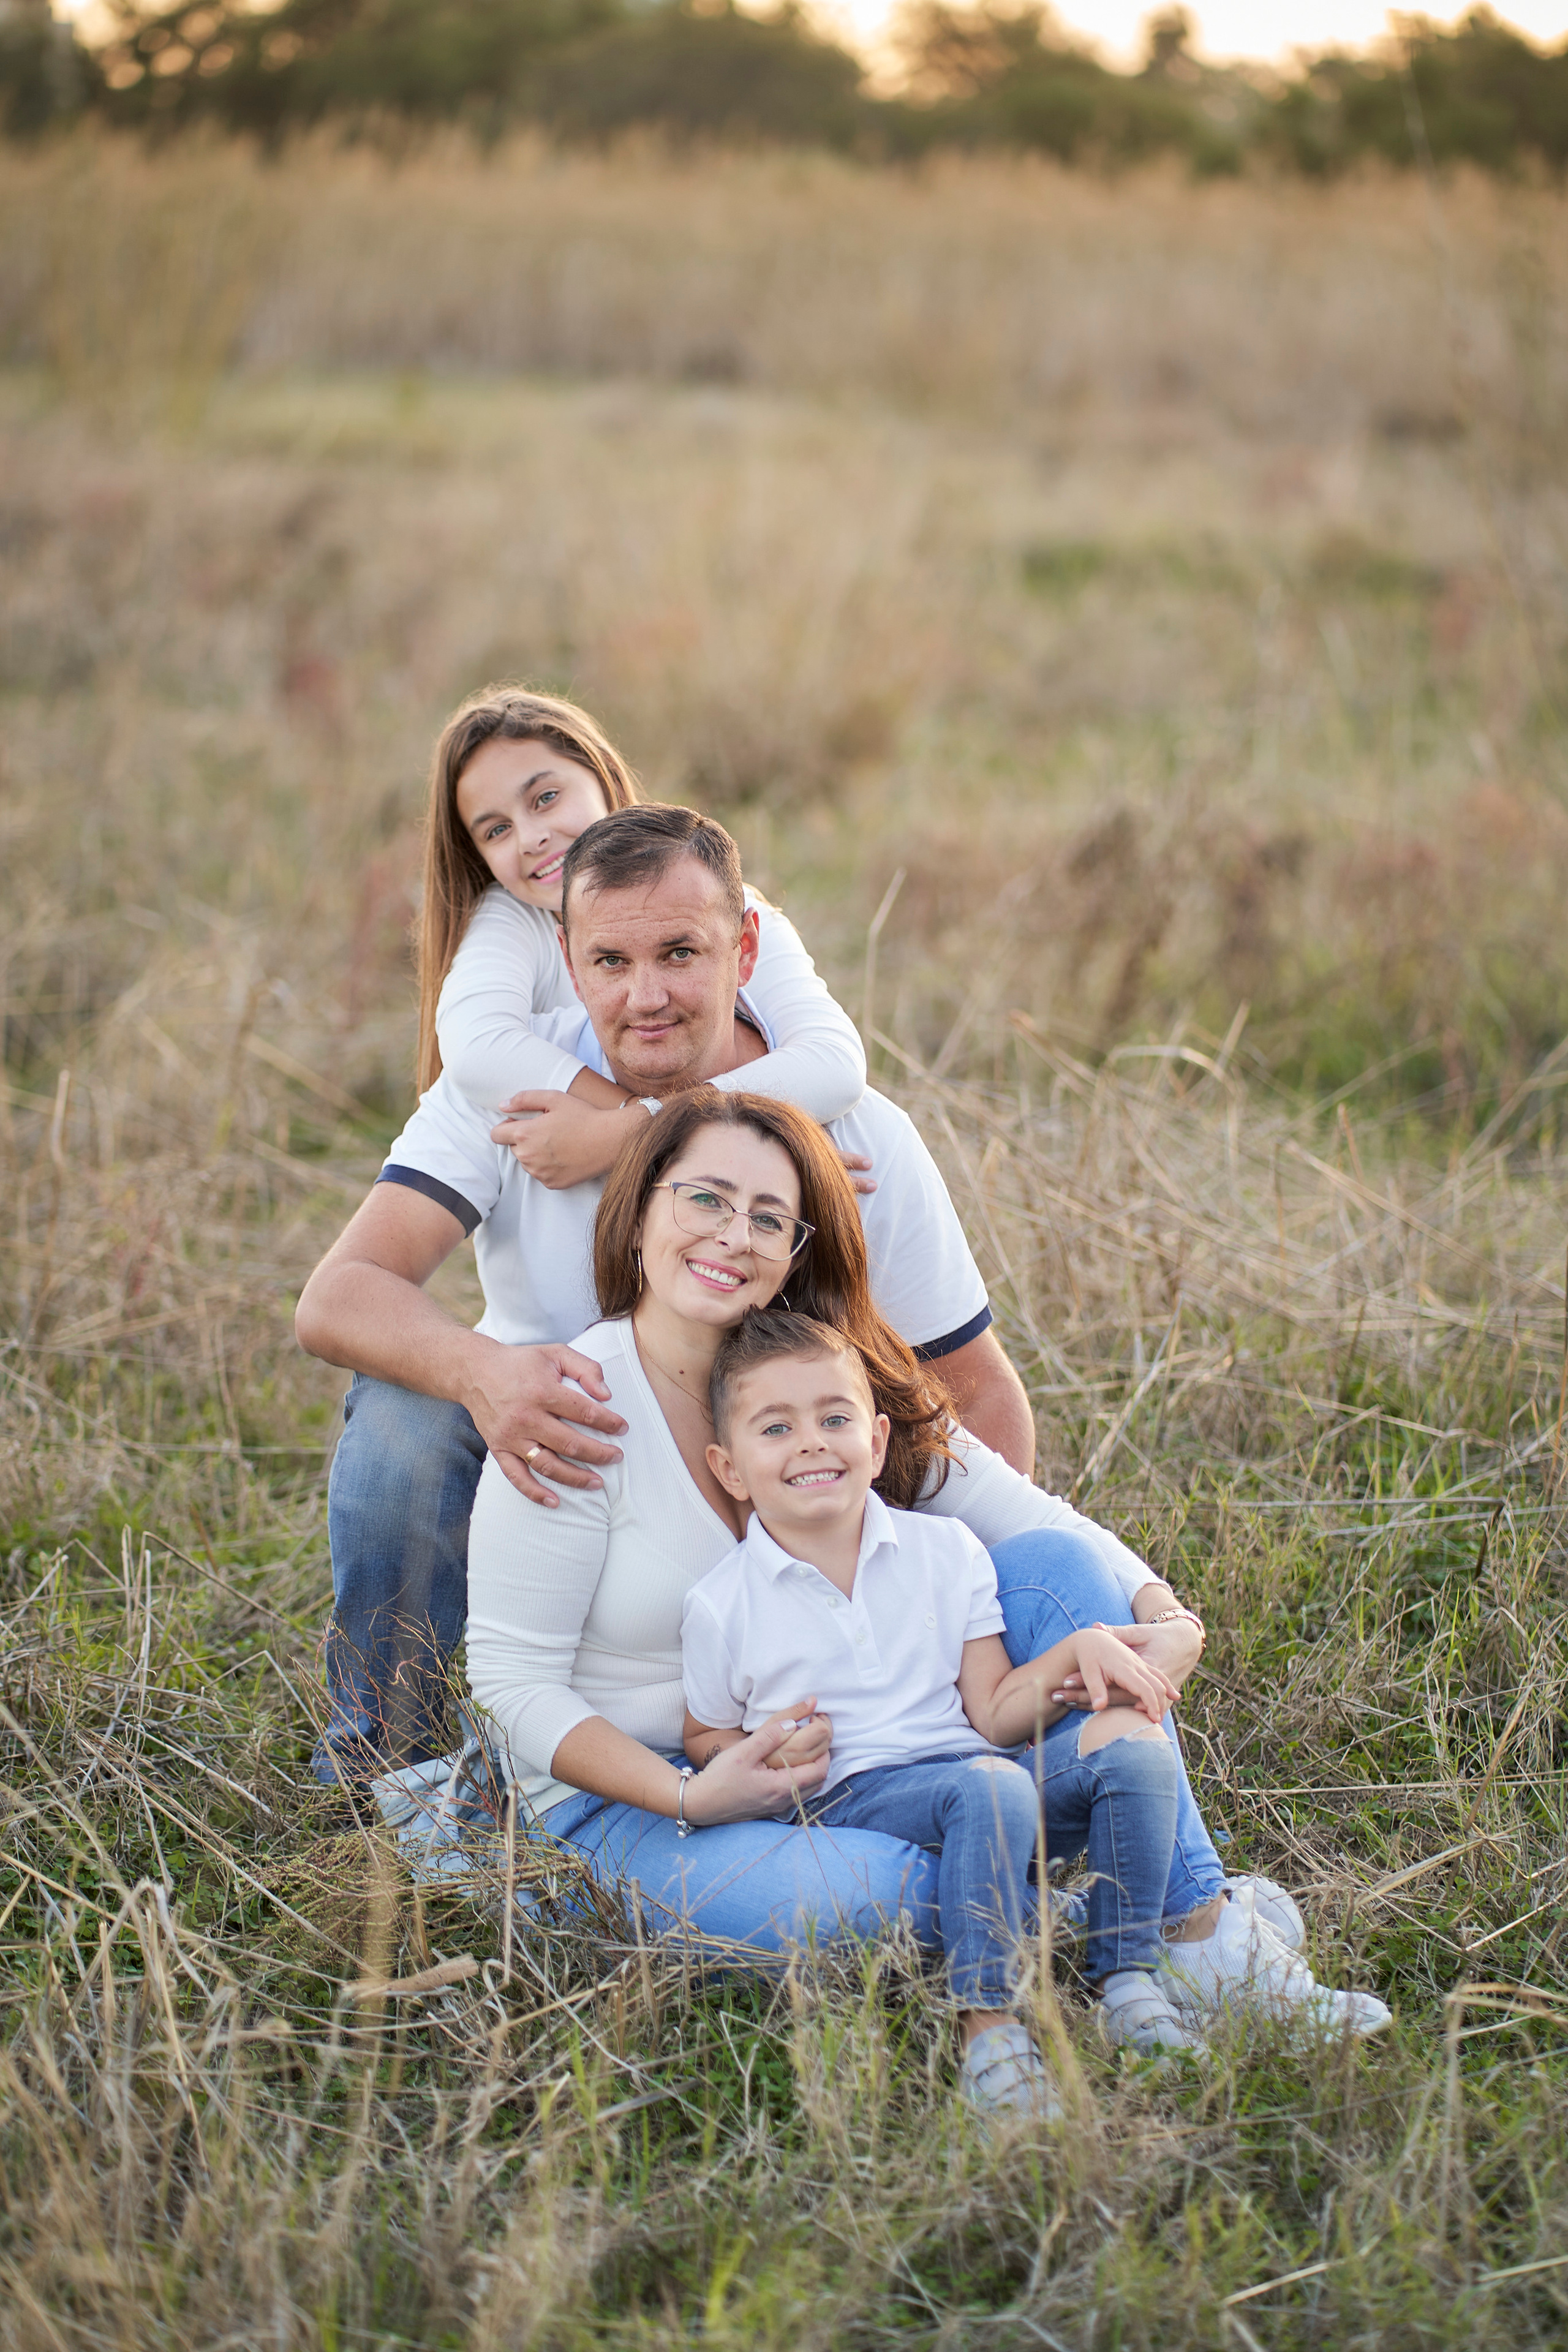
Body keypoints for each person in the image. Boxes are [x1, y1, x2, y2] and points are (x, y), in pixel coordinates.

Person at [463, 1086, 1392, 2046]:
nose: (733, 1235)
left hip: (872, 1760)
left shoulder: (824, 1387)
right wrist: (695, 1792)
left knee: (1052, 1567)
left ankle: (1199, 1933)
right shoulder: (574, 1403)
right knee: (885, 1900)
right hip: (638, 1798)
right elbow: (508, 1679)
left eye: (769, 1219)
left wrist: (1167, 1614)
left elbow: (1028, 1519)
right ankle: (1092, 1916)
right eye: (704, 1199)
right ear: (643, 1207)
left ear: (792, 1257)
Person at [296, 801, 1035, 1784]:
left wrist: (962, 1612)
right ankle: (385, 1754)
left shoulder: (847, 1130)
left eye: (682, 954)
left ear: (747, 946)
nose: (646, 996)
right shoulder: (514, 1090)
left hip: (775, 1479)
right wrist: (486, 1373)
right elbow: (336, 1297)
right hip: (561, 1450)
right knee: (401, 1424)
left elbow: (975, 1391)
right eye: (610, 963)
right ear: (568, 961)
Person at [684, 1308, 1202, 2113]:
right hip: (856, 1800)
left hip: (979, 1774)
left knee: (1132, 1744)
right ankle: (988, 2027)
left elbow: (994, 1713)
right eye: (776, 1427)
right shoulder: (723, 1605)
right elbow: (701, 1734)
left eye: (834, 1418)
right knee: (988, 1786)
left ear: (879, 1440)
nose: (812, 1442)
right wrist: (762, 1747)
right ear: (731, 1467)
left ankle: (1127, 1977)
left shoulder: (944, 1552)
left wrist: (1080, 1651)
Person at [418, 684, 867, 1185]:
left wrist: (627, 1133)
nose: (531, 838)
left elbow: (835, 1065)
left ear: (605, 778)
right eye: (496, 830)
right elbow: (477, 1048)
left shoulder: (717, 902)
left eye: (546, 798)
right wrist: (645, 1119)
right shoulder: (512, 918)